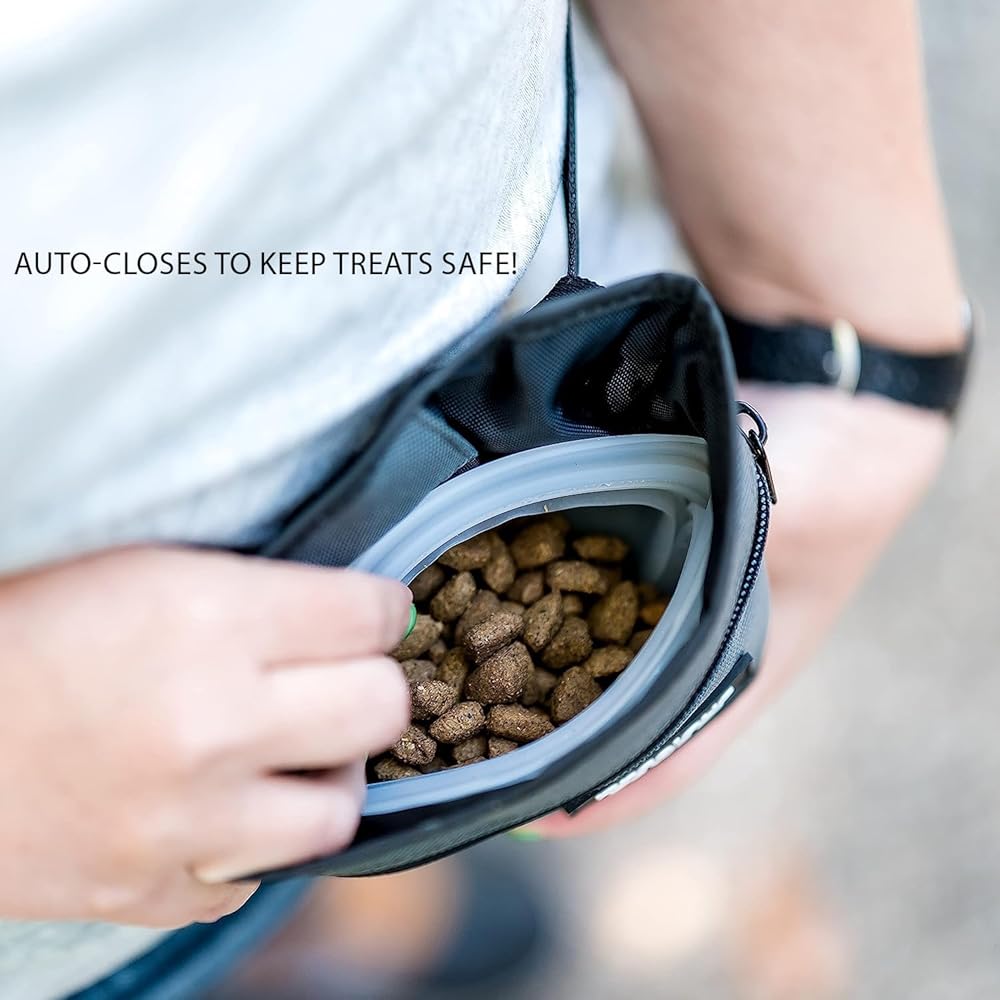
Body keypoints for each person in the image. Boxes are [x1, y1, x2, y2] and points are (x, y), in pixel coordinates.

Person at [0, 0, 967, 996]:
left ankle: (358, 917)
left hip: (506, 379)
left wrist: (846, 326)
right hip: (54, 904)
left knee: (356, 844)